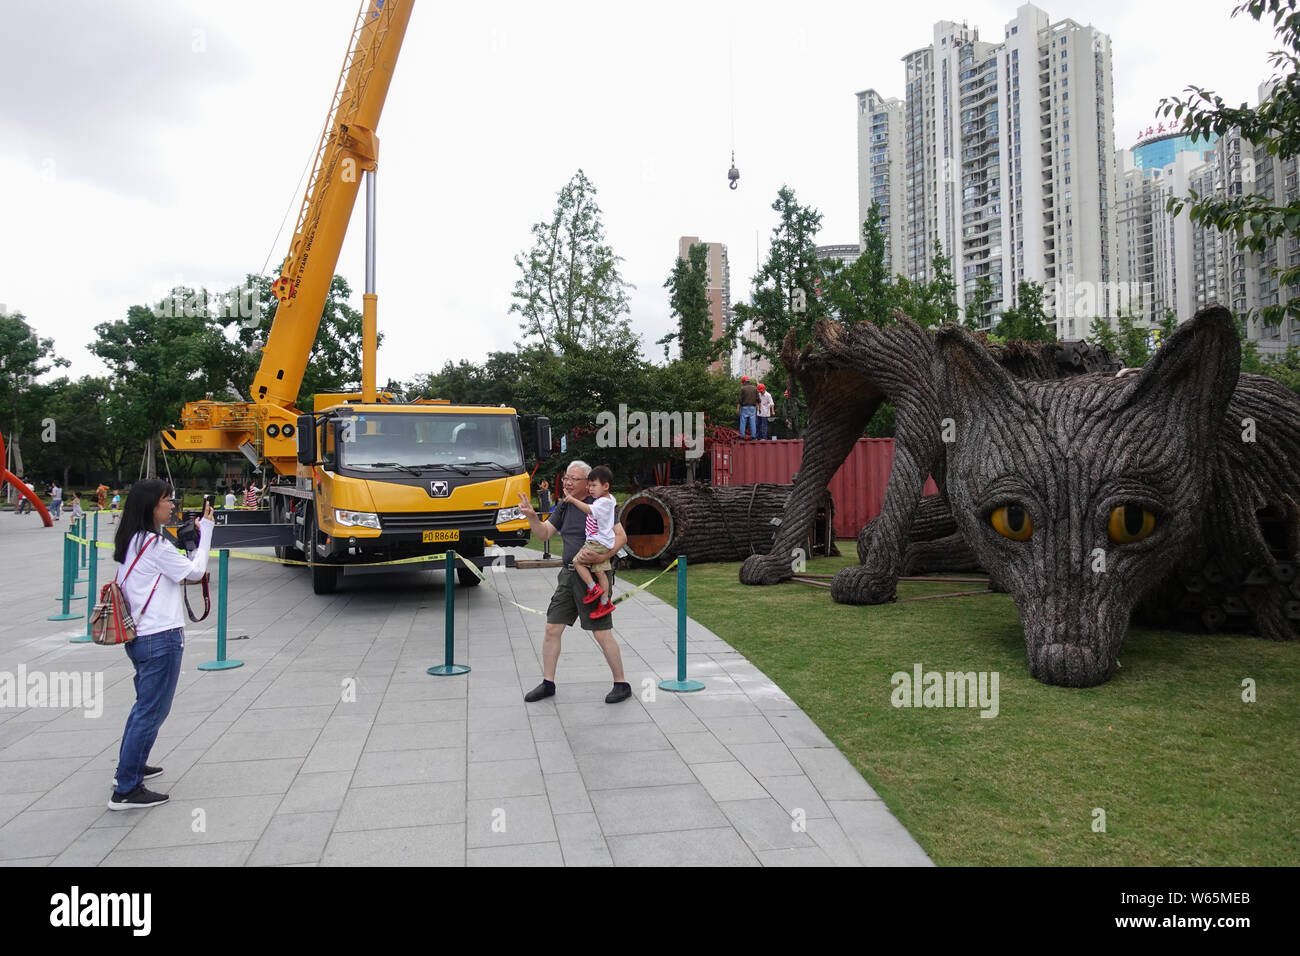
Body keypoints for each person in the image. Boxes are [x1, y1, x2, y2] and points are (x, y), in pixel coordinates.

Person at [107, 479, 214, 810]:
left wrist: (188, 543)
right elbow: (195, 573)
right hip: (160, 638)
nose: (171, 505)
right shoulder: (154, 545)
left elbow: (176, 572)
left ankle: (131, 767)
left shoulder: (133, 541)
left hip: (139, 636)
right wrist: (206, 530)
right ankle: (126, 788)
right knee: (152, 710)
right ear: (150, 506)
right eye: (166, 500)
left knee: (143, 706)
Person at [516, 460, 632, 704]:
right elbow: (544, 533)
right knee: (552, 628)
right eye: (565, 478)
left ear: (588, 483)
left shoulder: (600, 504)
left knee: (601, 632)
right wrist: (531, 518)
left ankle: (621, 684)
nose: (567, 483)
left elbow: (621, 537)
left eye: (573, 479)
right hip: (568, 574)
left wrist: (603, 556)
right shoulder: (565, 506)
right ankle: (548, 683)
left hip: (593, 572)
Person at [564, 465, 617, 619]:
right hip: (605, 542)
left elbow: (588, 509)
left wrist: (572, 500)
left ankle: (593, 588)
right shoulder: (610, 499)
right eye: (589, 485)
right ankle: (605, 602)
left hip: (596, 542)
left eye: (594, 485)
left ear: (606, 486)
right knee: (600, 572)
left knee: (578, 562)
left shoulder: (601, 503)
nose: (590, 489)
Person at [536, 479, 554, 559]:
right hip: (544, 512)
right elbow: (548, 501)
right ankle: (546, 553)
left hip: (546, 512)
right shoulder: (542, 492)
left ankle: (547, 553)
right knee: (544, 529)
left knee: (546, 529)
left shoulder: (545, 492)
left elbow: (549, 501)